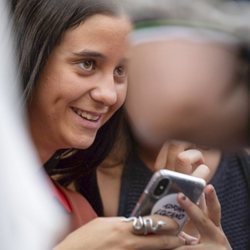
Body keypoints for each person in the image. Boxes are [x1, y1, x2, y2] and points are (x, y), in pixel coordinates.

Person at [11, 0, 187, 249]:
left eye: (120, 71)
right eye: (87, 64)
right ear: (29, 56)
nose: (109, 95)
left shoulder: (81, 215)